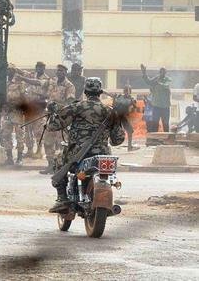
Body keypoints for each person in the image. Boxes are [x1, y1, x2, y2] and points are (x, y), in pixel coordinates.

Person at [46, 77, 125, 213]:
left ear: (85, 91)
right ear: (100, 92)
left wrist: (53, 114)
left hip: (77, 153)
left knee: (58, 160)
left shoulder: (76, 107)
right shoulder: (110, 111)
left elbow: (53, 126)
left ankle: (63, 199)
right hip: (102, 153)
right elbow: (118, 139)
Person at [19, 64, 76, 174]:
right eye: (58, 70)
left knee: (62, 143)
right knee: (48, 141)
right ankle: (50, 165)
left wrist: (59, 107)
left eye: (62, 71)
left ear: (65, 73)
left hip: (61, 119)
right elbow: (37, 82)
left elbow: (70, 102)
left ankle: (62, 166)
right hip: (50, 118)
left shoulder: (69, 86)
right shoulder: (51, 82)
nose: (59, 72)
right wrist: (23, 78)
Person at [0, 67, 27, 166]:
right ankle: (9, 158)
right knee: (6, 135)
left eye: (10, 70)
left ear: (14, 72)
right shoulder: (4, 82)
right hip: (7, 112)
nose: (8, 71)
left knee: (20, 135)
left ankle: (19, 158)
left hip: (17, 112)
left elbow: (24, 98)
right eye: (7, 70)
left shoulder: (20, 83)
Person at [141, 64, 171, 132]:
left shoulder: (168, 79)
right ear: (159, 72)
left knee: (165, 124)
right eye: (161, 71)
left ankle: (167, 140)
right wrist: (144, 73)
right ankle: (155, 139)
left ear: (166, 72)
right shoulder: (156, 78)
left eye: (163, 71)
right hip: (156, 106)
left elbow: (165, 85)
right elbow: (148, 82)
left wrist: (157, 82)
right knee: (155, 123)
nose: (162, 72)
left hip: (165, 106)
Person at [113, 85, 139, 151]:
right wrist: (114, 98)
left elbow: (135, 107)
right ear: (124, 91)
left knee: (129, 131)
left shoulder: (131, 99)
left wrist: (132, 102)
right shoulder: (119, 97)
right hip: (117, 115)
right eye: (126, 91)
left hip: (123, 116)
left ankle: (129, 147)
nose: (127, 92)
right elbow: (114, 105)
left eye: (129, 91)